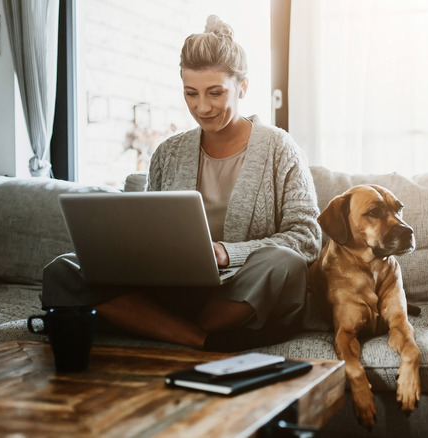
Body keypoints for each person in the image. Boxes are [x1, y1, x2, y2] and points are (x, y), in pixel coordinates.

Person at [41, 15, 322, 351]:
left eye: (215, 93)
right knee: (62, 270)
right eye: (191, 93)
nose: (202, 107)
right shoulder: (168, 152)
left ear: (242, 87)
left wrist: (225, 253)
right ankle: (203, 340)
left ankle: (157, 324)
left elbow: (306, 239)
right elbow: (147, 228)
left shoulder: (280, 148)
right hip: (174, 289)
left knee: (283, 263)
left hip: (243, 291)